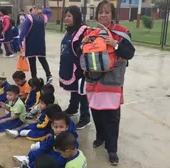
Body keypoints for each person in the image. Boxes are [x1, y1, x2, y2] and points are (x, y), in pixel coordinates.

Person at [82, 0, 135, 165]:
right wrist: (82, 44)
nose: (103, 15)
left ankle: (112, 150)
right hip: (93, 82)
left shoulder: (122, 32)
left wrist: (116, 44)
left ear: (112, 15)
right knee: (96, 112)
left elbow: (129, 53)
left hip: (112, 83)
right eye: (100, 12)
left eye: (106, 12)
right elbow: (82, 54)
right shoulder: (92, 32)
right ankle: (100, 137)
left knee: (112, 117)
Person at [59, 5, 91, 130]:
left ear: (76, 17)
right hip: (68, 65)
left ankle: (85, 117)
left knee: (82, 91)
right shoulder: (69, 30)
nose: (66, 18)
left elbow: (85, 49)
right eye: (65, 15)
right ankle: (73, 108)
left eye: (69, 16)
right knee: (74, 89)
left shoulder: (84, 31)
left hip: (79, 67)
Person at [12, 111, 79, 168]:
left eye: (61, 127)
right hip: (51, 153)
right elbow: (47, 145)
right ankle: (28, 160)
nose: (58, 130)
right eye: (56, 127)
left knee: (45, 163)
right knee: (40, 153)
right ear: (52, 126)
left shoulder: (69, 139)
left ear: (67, 127)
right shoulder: (54, 135)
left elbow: (65, 157)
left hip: (58, 160)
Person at [19, 5, 53, 83]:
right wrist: (41, 10)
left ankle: (34, 78)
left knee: (32, 62)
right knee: (42, 59)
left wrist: (20, 42)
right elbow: (49, 11)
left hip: (31, 43)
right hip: (40, 43)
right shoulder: (44, 18)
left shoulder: (29, 18)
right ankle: (49, 75)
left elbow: (23, 32)